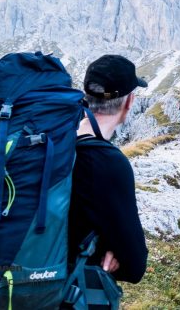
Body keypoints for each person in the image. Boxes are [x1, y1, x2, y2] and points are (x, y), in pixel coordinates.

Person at [68, 54, 149, 290]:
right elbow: (135, 266)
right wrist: (110, 250)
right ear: (129, 101)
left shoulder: (57, 140)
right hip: (66, 294)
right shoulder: (108, 162)